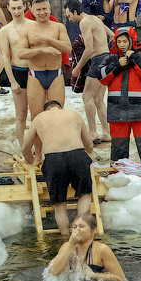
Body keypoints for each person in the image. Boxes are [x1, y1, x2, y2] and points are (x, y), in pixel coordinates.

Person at [96, 27, 141, 176]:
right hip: (117, 110)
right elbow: (101, 77)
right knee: (118, 146)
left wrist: (133, 58)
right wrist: (117, 65)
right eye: (119, 41)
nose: (122, 44)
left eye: (125, 41)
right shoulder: (110, 58)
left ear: (131, 41)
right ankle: (117, 175)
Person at [21, 100, 95, 235]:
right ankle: (82, 231)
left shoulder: (39, 118)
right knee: (84, 194)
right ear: (61, 108)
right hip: (77, 156)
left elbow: (25, 148)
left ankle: (66, 237)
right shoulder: (74, 114)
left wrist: (31, 161)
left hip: (53, 159)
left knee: (59, 204)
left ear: (46, 110)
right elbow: (89, 144)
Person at [17, 0, 71, 125]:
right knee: (36, 118)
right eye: (38, 10)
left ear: (50, 9)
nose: (42, 13)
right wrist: (42, 49)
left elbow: (67, 48)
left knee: (57, 115)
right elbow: (21, 53)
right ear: (32, 11)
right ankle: (39, 147)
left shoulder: (58, 27)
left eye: (44, 9)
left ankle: (55, 145)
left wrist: (47, 40)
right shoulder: (27, 30)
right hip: (36, 75)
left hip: (55, 74)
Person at [68, 1, 113, 143]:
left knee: (87, 96)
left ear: (75, 12)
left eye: (69, 15)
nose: (69, 19)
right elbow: (112, 35)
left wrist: (77, 68)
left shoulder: (85, 22)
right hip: (107, 58)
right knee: (98, 98)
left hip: (98, 59)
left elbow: (89, 49)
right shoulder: (96, 19)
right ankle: (106, 132)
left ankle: (92, 133)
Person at [0, 0, 32, 141]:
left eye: (19, 8)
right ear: (8, 8)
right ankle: (24, 148)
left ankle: (38, 148)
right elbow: (5, 56)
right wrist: (12, 81)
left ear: (25, 7)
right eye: (13, 8)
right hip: (18, 71)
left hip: (33, 72)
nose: (17, 12)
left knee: (37, 114)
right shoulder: (5, 30)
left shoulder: (33, 25)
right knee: (21, 114)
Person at [47, 214, 124, 281]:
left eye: (81, 226)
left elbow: (121, 280)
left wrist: (94, 275)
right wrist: (71, 244)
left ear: (93, 230)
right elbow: (54, 271)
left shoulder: (102, 249)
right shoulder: (67, 246)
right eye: (74, 227)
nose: (77, 230)